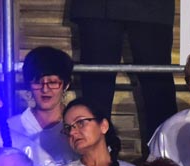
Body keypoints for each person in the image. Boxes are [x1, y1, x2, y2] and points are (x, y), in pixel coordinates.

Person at [67, 0, 177, 147]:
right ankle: (95, 154)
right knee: (97, 85)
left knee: (157, 86)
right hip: (97, 7)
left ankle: (164, 156)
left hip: (152, 7)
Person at [7, 46, 74, 166]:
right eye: (38, 82)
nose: (45, 89)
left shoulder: (76, 126)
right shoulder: (12, 127)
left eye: (52, 82)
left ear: (66, 85)